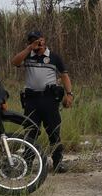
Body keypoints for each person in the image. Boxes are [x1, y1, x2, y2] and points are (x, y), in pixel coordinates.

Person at [10, 29, 73, 171]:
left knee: (54, 131)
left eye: (38, 40)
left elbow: (64, 75)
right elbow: (14, 62)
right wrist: (28, 49)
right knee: (30, 131)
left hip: (49, 99)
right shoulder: (27, 56)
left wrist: (69, 94)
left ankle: (58, 163)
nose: (37, 43)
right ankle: (27, 163)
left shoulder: (54, 57)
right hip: (31, 100)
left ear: (44, 40)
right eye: (33, 40)